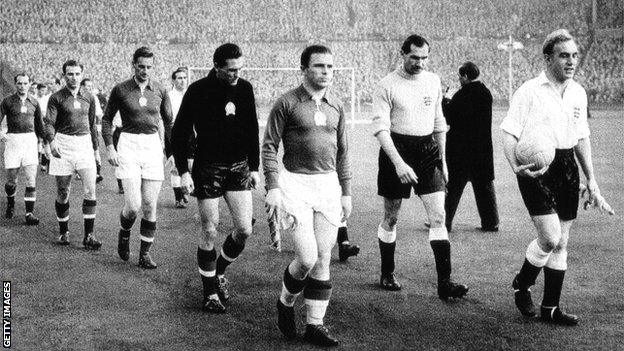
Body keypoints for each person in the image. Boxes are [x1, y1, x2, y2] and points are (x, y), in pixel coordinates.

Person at [502, 29, 614, 326]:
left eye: (575, 55)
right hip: (536, 169)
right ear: (548, 58)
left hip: (566, 166)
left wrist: (592, 179)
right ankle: (522, 284)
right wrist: (515, 164)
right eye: (564, 55)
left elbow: (581, 137)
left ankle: (551, 307)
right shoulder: (529, 91)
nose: (571, 61)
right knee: (549, 237)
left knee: (562, 242)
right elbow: (508, 131)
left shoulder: (578, 92)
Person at [263, 45, 351, 347]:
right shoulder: (286, 103)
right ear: (304, 70)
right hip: (295, 185)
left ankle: (315, 324)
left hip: (327, 186)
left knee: (324, 257)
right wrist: (273, 187)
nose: (325, 72)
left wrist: (346, 192)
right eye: (319, 66)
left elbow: (343, 153)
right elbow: (269, 146)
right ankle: (285, 302)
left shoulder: (336, 105)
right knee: (306, 258)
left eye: (329, 67)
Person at [371, 34, 468, 300]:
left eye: (424, 58)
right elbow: (380, 129)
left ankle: (444, 283)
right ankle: (387, 271)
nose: (420, 63)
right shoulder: (386, 85)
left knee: (438, 217)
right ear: (402, 53)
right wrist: (398, 163)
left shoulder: (433, 81)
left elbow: (439, 124)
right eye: (414, 57)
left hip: (427, 151)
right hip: (396, 150)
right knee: (392, 217)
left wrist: (444, 162)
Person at [172, 43, 259, 313]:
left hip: (239, 167)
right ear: (217, 66)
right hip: (208, 167)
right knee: (210, 229)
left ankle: (219, 270)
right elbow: (179, 132)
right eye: (231, 70)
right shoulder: (197, 91)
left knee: (244, 229)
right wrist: (184, 172)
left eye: (240, 69)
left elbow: (252, 129)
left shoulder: (244, 89)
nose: (236, 75)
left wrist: (254, 167)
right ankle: (209, 293)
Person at [101, 46, 173, 269]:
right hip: (128, 144)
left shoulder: (159, 90)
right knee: (133, 205)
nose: (145, 70)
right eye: (141, 66)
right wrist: (110, 148)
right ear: (133, 65)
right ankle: (124, 233)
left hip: (151, 145)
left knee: (150, 205)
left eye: (149, 67)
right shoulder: (121, 89)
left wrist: (171, 153)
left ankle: (144, 254)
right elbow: (106, 120)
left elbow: (169, 123)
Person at [44, 60, 101, 249]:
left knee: (90, 190)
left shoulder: (90, 97)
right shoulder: (56, 98)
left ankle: (89, 236)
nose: (74, 77)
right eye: (70, 74)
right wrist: (51, 141)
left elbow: (92, 125)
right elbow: (49, 123)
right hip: (63, 144)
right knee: (63, 191)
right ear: (64, 76)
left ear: (81, 74)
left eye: (77, 74)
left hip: (84, 143)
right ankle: (63, 232)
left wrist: (96, 150)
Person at [442, 61, 499, 232]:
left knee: (452, 188)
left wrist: (445, 100)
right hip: (482, 150)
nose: (459, 80)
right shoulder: (486, 93)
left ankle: (443, 222)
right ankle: (491, 222)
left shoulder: (461, 95)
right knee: (485, 188)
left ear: (465, 76)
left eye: (460, 76)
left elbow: (450, 117)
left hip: (461, 151)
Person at [0, 73, 45, 225]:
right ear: (15, 84)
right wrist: (1, 135)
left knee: (31, 178)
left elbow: (40, 125)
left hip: (29, 141)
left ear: (29, 84)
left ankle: (29, 213)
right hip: (13, 140)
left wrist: (44, 142)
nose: (22, 86)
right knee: (11, 181)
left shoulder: (34, 102)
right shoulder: (7, 101)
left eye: (25, 83)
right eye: (19, 83)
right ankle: (11, 204)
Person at [167, 67, 190, 208]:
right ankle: (178, 198)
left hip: (190, 133)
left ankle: (185, 187)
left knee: (190, 163)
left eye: (184, 77)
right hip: (173, 132)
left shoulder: (191, 94)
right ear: (174, 80)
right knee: (175, 164)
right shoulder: (169, 96)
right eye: (179, 78)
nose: (182, 80)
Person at [81, 78, 104, 183]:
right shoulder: (78, 97)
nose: (90, 88)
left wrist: (97, 127)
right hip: (80, 130)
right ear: (82, 86)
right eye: (87, 86)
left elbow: (99, 114)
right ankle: (82, 172)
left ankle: (97, 173)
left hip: (92, 127)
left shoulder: (94, 98)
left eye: (91, 86)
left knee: (95, 149)